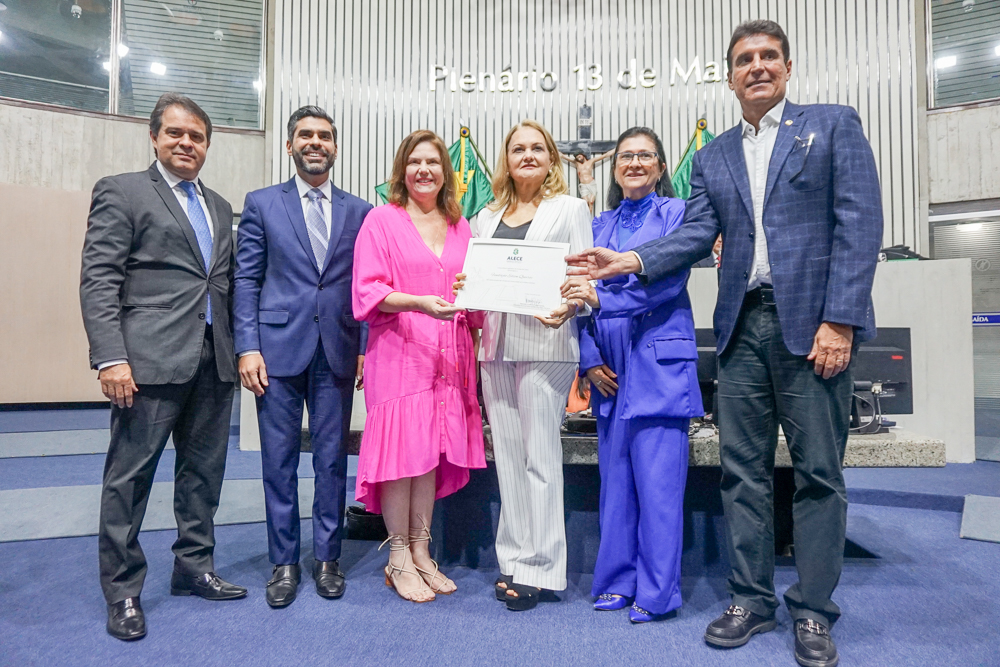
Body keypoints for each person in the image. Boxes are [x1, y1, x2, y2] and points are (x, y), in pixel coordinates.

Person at [565, 20, 883, 667]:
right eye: (745, 59)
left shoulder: (833, 125)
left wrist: (842, 320)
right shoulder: (712, 159)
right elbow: (692, 237)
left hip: (813, 327)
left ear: (788, 68)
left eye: (769, 56)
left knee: (818, 474)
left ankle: (815, 610)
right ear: (730, 74)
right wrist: (626, 259)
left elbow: (860, 222)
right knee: (742, 473)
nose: (757, 67)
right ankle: (750, 597)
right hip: (740, 328)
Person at [80, 93, 247, 642]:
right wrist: (110, 356)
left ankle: (192, 567)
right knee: (129, 481)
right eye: (175, 133)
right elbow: (100, 279)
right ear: (154, 137)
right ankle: (123, 590)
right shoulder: (123, 191)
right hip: (146, 362)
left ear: (207, 146)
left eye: (196, 137)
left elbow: (221, 284)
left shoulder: (220, 207)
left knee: (203, 476)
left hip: (213, 359)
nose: (186, 144)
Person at [562, 127, 703, 624]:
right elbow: (574, 291)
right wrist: (587, 354)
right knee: (616, 482)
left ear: (662, 166)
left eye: (646, 155)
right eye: (626, 156)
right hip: (608, 364)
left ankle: (658, 590)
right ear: (613, 167)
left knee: (659, 486)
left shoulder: (679, 216)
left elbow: (668, 282)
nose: (635, 163)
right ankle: (617, 580)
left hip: (657, 356)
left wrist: (605, 298)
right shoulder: (597, 224)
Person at [234, 106, 370, 608]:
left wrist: (365, 348)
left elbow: (367, 288)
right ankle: (284, 562)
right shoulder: (262, 204)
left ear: (336, 147)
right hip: (275, 354)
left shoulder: (360, 212)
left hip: (336, 351)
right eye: (306, 135)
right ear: (290, 145)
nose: (316, 142)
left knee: (333, 462)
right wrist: (247, 345)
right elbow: (246, 280)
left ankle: (327, 558)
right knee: (279, 462)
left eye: (325, 136)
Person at [352, 130, 485, 603]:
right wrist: (419, 303)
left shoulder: (459, 224)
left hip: (448, 356)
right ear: (402, 170)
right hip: (400, 352)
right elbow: (367, 292)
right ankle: (398, 557)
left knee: (428, 456)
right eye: (415, 162)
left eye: (433, 162)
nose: (424, 170)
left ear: (446, 171)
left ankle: (424, 553)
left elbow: (473, 296)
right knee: (400, 458)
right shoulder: (380, 221)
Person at [468, 120, 592, 612]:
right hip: (495, 346)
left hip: (546, 343)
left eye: (537, 147)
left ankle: (541, 567)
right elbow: (478, 282)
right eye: (518, 148)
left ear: (551, 157)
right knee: (509, 461)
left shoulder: (571, 209)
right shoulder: (485, 215)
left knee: (540, 459)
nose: (527, 155)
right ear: (506, 157)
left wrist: (572, 305)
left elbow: (583, 280)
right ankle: (514, 556)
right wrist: (465, 288)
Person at [561, 149, 614, 214]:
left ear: (583, 155)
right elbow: (563, 156)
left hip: (591, 183)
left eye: (579, 156)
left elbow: (605, 155)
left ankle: (589, 220)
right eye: (577, 158)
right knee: (585, 202)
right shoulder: (577, 163)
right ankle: (585, 219)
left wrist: (617, 149)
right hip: (583, 185)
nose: (579, 158)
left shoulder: (591, 161)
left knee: (591, 202)